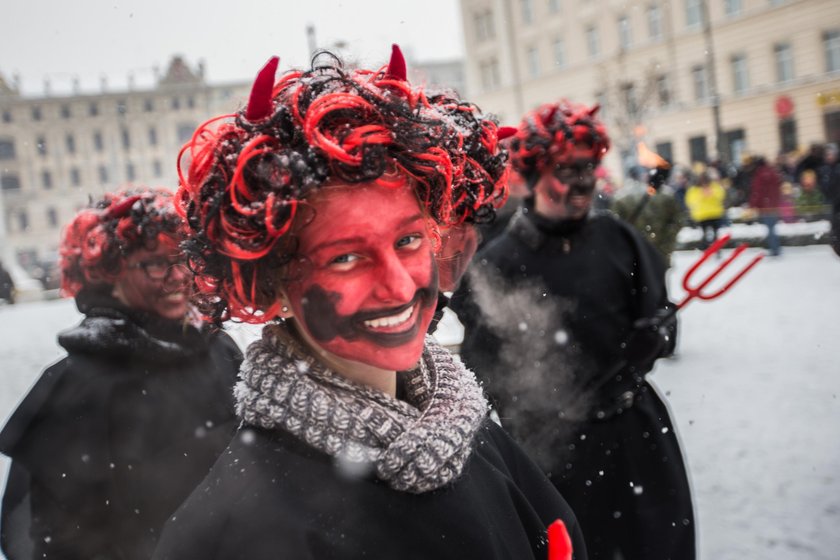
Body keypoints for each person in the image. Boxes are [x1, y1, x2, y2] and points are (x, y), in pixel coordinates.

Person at [151, 47, 586, 560]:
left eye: (407, 242)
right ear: (270, 282)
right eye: (345, 257)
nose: (399, 287)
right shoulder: (245, 525)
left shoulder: (463, 429)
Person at [450, 100, 695, 560]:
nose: (583, 180)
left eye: (589, 166)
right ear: (533, 173)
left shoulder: (621, 239)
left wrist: (655, 337)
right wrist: (552, 407)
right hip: (554, 454)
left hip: (637, 441)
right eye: (567, 168)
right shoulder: (495, 266)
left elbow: (660, 316)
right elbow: (481, 373)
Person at [0, 187, 243, 560]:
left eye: (184, 258)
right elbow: (57, 538)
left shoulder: (218, 348)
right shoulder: (76, 384)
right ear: (108, 272)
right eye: (155, 264)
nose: (178, 276)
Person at [612, 158, 683, 268]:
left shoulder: (620, 197)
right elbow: (678, 221)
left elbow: (615, 227)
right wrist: (666, 243)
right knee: (658, 280)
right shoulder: (666, 195)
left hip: (635, 253)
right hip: (659, 251)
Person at [749, 156, 784, 256]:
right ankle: (776, 248)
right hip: (773, 204)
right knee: (772, 228)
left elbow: (757, 192)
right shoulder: (773, 172)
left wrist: (753, 204)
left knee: (770, 229)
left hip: (765, 206)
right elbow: (778, 188)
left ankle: (774, 249)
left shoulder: (760, 175)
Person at [685, 171, 727, 250]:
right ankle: (706, 247)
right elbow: (690, 200)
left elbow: (721, 196)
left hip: (714, 213)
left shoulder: (714, 187)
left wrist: (712, 194)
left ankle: (714, 248)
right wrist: (702, 195)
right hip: (703, 214)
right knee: (705, 233)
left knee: (714, 232)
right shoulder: (695, 189)